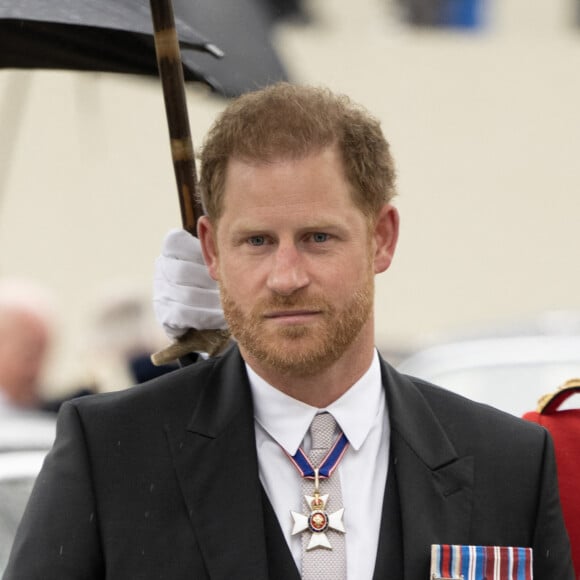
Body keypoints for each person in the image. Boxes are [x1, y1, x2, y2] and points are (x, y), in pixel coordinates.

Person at [4, 83, 573, 579]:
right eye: (256, 241)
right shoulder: (113, 454)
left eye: (318, 237)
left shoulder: (509, 463)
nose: (286, 277)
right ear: (210, 249)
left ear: (382, 238)